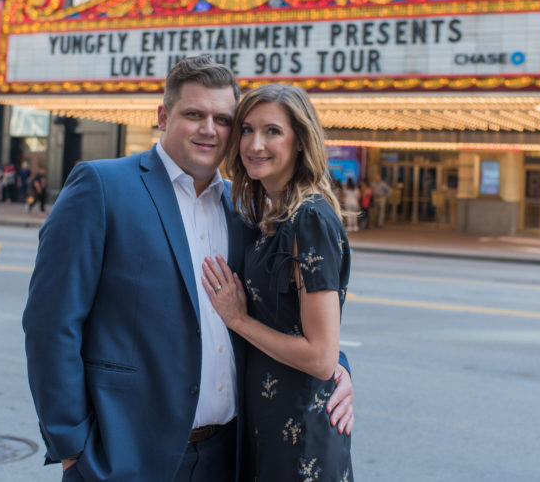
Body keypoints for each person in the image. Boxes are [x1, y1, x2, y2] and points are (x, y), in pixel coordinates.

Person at [22, 56, 354, 481]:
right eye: (194, 114)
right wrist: (72, 446)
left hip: (229, 455)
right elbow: (51, 323)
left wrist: (337, 367)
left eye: (223, 119)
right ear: (163, 116)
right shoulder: (102, 186)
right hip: (127, 457)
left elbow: (285, 307)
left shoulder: (246, 208)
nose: (209, 129)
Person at [202, 83, 353, 481]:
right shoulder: (271, 215)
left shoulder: (309, 219)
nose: (255, 144)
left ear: (301, 141)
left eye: (272, 131)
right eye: (247, 130)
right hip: (267, 422)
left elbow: (321, 357)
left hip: (298, 434)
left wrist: (238, 320)